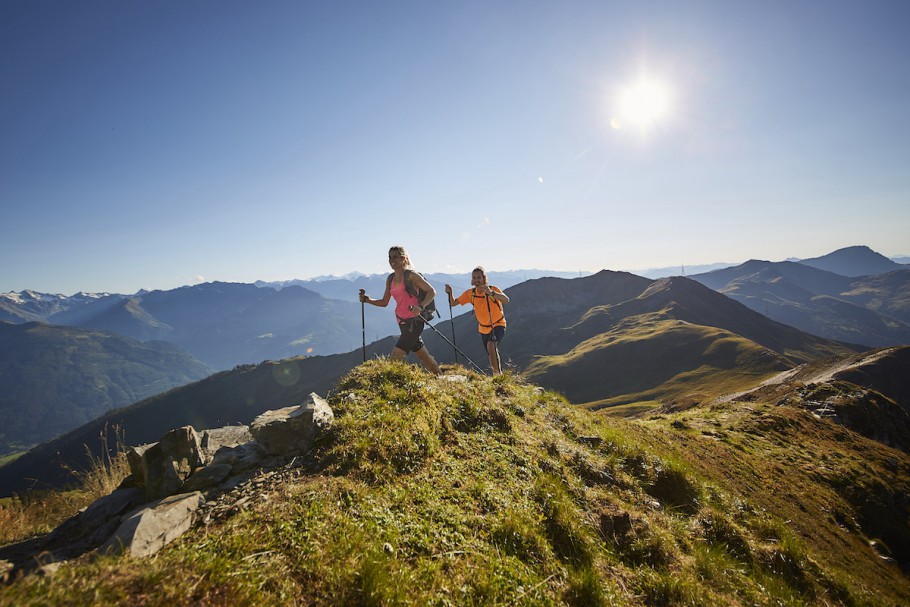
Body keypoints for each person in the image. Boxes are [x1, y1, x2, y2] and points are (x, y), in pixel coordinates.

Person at [360, 245, 440, 374]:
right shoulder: (390, 279)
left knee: (395, 357)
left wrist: (420, 306)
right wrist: (367, 300)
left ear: (403, 258)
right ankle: (440, 377)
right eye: (390, 257)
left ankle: (391, 388)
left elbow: (432, 291)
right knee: (423, 356)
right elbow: (385, 302)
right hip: (402, 322)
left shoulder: (411, 276)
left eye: (395, 257)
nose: (392, 260)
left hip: (415, 321)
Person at [445, 266, 510, 375]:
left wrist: (491, 293)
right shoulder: (471, 293)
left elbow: (506, 300)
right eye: (474, 278)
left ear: (484, 278)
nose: (476, 280)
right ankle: (497, 375)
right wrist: (450, 293)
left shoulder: (493, 289)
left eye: (479, 277)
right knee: (491, 352)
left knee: (491, 345)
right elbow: (453, 303)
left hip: (498, 324)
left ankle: (497, 375)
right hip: (483, 328)